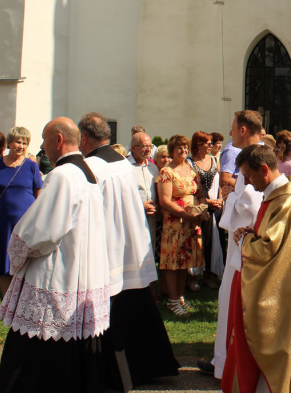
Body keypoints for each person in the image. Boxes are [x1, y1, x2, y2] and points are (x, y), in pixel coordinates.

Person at [0, 118, 110, 392]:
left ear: (58, 139)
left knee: (37, 352)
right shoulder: (88, 171)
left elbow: (44, 230)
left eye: (44, 141)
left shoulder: (61, 175)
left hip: (57, 274)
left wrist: (18, 249)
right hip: (82, 270)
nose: (42, 148)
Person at [78, 113, 177, 390]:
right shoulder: (121, 164)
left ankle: (114, 373)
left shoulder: (91, 167)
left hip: (108, 250)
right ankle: (145, 366)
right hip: (130, 248)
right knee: (135, 308)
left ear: (84, 139)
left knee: (114, 315)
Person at [221, 145, 291, 392]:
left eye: (248, 175)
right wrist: (251, 232)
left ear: (264, 169)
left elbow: (268, 248)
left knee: (273, 345)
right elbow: (269, 237)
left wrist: (246, 241)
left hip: (279, 290)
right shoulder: (274, 194)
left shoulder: (285, 201)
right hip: (275, 281)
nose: (246, 182)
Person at [200, 110, 265, 379]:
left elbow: (256, 201)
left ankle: (232, 366)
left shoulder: (257, 157)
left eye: (231, 128)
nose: (228, 134)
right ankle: (224, 362)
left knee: (237, 301)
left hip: (247, 240)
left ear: (242, 130)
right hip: (240, 240)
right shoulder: (249, 156)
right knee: (228, 298)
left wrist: (232, 198)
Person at [0, 126, 42, 297]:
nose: (21, 146)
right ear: (9, 142)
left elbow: (39, 195)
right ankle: (7, 304)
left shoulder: (31, 166)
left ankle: (22, 301)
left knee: (24, 263)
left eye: (25, 143)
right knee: (3, 262)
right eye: (18, 142)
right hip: (2, 222)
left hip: (26, 223)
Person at [155, 135, 209, 314]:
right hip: (175, 223)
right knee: (173, 262)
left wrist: (201, 207)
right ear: (172, 150)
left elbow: (200, 192)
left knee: (185, 261)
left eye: (185, 148)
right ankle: (172, 300)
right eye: (179, 148)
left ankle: (180, 297)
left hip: (191, 222)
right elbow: (165, 201)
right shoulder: (166, 172)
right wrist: (186, 215)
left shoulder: (190, 169)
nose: (183, 151)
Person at [188, 131, 225, 289]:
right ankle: (192, 278)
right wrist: (207, 202)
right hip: (199, 207)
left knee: (212, 241)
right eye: (208, 143)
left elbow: (221, 182)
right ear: (198, 145)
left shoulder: (214, 159)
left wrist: (220, 199)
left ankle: (209, 275)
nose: (211, 146)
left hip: (215, 207)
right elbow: (191, 187)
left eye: (211, 143)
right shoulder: (190, 163)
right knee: (197, 241)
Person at [128, 132, 160, 263]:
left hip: (151, 218)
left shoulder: (153, 167)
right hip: (132, 218)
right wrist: (141, 206)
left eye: (150, 146)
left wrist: (157, 206)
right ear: (133, 148)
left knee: (149, 254)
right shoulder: (125, 167)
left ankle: (150, 283)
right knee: (133, 255)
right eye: (143, 146)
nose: (148, 150)